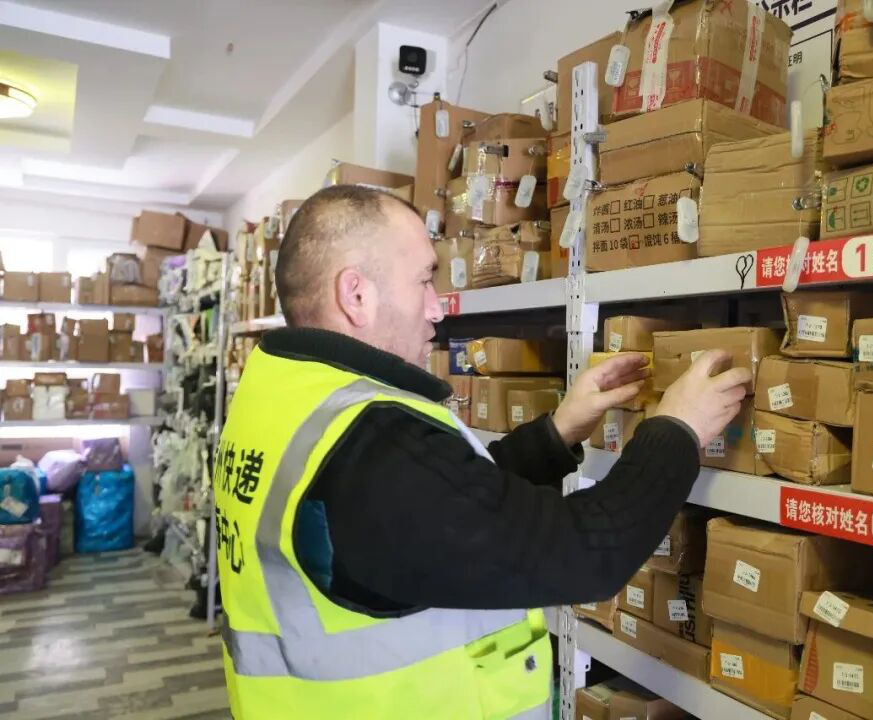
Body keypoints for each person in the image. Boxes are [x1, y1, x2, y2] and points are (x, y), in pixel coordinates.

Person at [215, 185, 752, 720]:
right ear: (355, 294)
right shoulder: (369, 441)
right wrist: (677, 428)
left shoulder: (285, 391)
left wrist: (558, 431)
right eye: (424, 279)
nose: (437, 308)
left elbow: (443, 512)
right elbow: (585, 553)